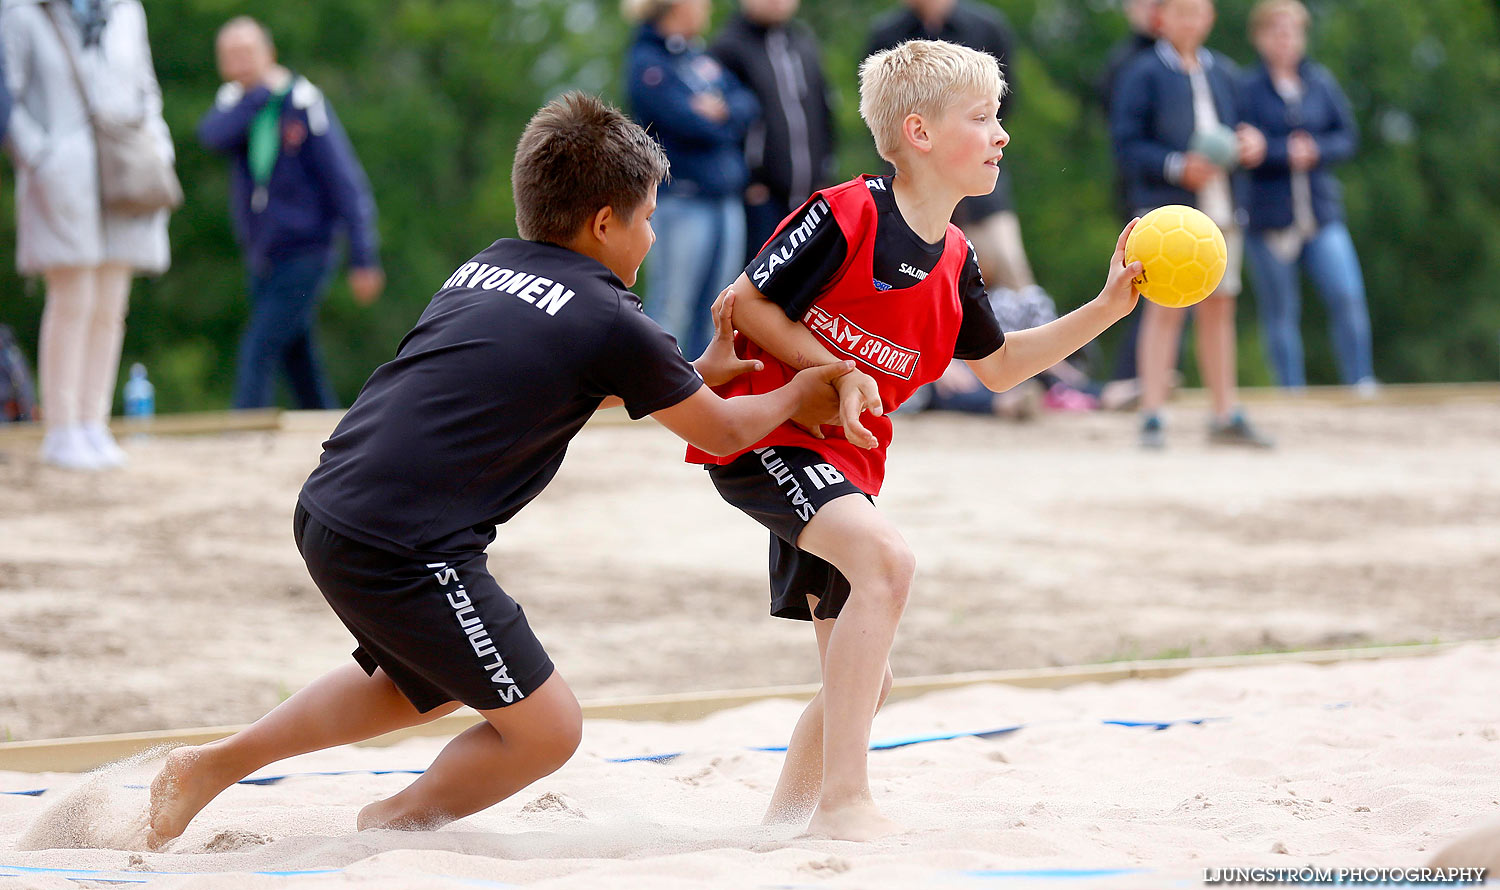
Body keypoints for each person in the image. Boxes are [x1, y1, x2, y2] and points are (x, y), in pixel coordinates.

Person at [143, 92, 851, 849]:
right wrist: (800, 391)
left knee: (427, 683)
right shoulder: (613, 316)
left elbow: (555, 370)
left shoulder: (489, 264)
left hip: (331, 504)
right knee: (547, 730)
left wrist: (689, 372)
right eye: (645, 218)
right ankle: (393, 828)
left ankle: (212, 767)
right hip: (409, 544)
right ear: (604, 222)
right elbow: (724, 431)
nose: (651, 234)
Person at [685, 40, 1144, 839]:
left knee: (866, 680)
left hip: (844, 460)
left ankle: (780, 828)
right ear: (920, 134)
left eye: (998, 117)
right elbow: (747, 304)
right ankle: (844, 806)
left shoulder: (959, 257)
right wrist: (833, 369)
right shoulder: (847, 212)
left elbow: (999, 367)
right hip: (769, 432)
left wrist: (1105, 307)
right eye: (983, 117)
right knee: (888, 564)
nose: (1001, 134)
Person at [3, 0, 174, 470]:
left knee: (110, 303)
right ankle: (61, 427)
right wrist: (40, 157)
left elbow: (145, 87)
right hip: (62, 173)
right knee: (71, 297)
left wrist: (157, 144)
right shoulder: (24, 13)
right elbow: (8, 97)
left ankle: (92, 421)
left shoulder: (126, 12)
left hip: (125, 168)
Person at [199, 17, 384, 412]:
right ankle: (327, 424)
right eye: (230, 54)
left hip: (307, 249)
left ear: (270, 54)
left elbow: (345, 181)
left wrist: (363, 255)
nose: (240, 61)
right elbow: (212, 136)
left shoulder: (302, 102)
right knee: (297, 356)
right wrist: (259, 95)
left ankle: (243, 431)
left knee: (260, 345)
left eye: (248, 52)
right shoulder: (237, 102)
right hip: (262, 252)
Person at [1111, 0, 1273, 449]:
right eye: (1179, 11)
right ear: (1162, 19)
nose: (1189, 20)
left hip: (1223, 212)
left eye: (1197, 11)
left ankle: (1225, 414)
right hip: (1168, 216)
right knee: (1163, 310)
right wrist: (1176, 165)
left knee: (1221, 308)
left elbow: (1246, 128)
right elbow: (1125, 145)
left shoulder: (1225, 72)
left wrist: (1252, 144)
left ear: (1210, 18)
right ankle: (1153, 416)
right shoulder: (1143, 72)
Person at [1239, 0, 1375, 392]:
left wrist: (1314, 150)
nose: (1285, 39)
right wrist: (1285, 152)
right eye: (1276, 31)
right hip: (1268, 217)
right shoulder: (1246, 88)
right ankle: (1291, 390)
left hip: (1320, 212)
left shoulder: (1320, 82)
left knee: (1347, 295)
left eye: (1292, 31)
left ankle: (1360, 380)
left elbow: (1347, 137)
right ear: (1260, 37)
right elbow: (1248, 147)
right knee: (1280, 312)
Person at [866, 0, 1034, 296]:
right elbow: (880, 114)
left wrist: (975, 132)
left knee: (1011, 270)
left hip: (978, 175)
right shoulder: (885, 33)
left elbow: (1006, 102)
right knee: (905, 280)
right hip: (913, 185)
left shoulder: (987, 26)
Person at [624, 0, 760, 358]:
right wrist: (714, 116)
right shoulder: (647, 61)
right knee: (673, 304)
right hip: (680, 200)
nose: (707, 8)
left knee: (718, 308)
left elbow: (747, 105)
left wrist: (720, 112)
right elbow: (684, 122)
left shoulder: (698, 58)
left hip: (724, 198)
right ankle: (655, 394)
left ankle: (702, 399)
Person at [709, 0, 837, 264]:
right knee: (756, 282)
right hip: (759, 199)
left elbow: (822, 109)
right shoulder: (728, 47)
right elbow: (720, 121)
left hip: (810, 196)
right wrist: (750, 178)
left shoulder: (803, 43)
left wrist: (825, 171)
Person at [1097, 0, 1163, 395]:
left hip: (1167, 189)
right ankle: (1127, 377)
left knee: (1166, 291)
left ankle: (1145, 374)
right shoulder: (1126, 61)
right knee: (1141, 283)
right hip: (1140, 188)